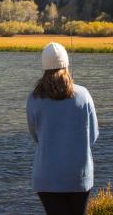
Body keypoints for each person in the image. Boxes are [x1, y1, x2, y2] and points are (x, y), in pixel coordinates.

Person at [26, 42, 98, 215]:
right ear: (66, 65)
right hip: (78, 175)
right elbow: (93, 135)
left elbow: (35, 135)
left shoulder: (34, 98)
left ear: (44, 68)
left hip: (46, 176)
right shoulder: (83, 94)